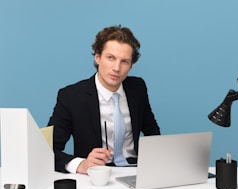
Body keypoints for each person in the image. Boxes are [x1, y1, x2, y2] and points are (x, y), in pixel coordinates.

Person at [48, 25, 160, 174]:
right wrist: (82, 165)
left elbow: (152, 132)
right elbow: (48, 150)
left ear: (131, 66)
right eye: (110, 58)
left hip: (136, 171)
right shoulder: (71, 96)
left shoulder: (137, 88)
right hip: (96, 175)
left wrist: (157, 162)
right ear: (98, 57)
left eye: (124, 61)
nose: (116, 68)